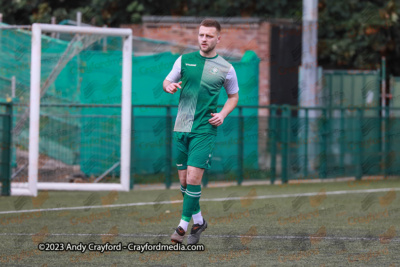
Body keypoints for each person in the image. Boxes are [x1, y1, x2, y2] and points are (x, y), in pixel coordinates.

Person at [163, 18, 239, 244]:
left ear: (218, 38)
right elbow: (167, 81)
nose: (204, 39)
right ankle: (199, 221)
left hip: (205, 129)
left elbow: (234, 97)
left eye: (208, 35)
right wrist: (168, 86)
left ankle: (181, 227)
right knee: (185, 183)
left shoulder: (227, 68)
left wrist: (223, 114)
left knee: (194, 179)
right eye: (201, 35)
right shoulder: (184, 60)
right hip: (181, 127)